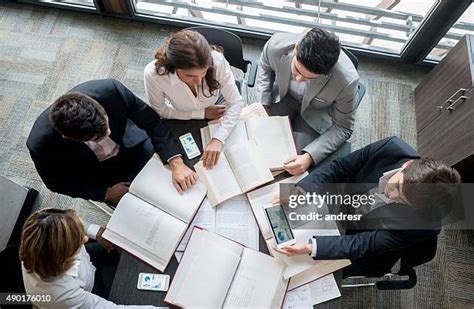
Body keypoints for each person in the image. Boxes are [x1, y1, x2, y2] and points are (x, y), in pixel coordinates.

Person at [274, 137, 461, 277]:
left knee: (300, 272)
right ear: (408, 164)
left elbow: (365, 243)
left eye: (402, 200)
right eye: (396, 186)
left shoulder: (424, 224)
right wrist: (300, 190)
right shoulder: (391, 148)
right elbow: (340, 168)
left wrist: (312, 247)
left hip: (362, 242)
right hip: (344, 203)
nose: (391, 195)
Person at [27, 79, 197, 205]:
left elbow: (151, 121)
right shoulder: (41, 145)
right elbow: (56, 183)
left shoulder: (110, 90)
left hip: (132, 144)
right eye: (97, 137)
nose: (107, 133)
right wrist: (104, 194)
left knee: (185, 176)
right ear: (69, 137)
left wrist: (176, 162)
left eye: (106, 124)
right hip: (102, 174)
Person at [256, 27, 360, 176]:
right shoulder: (275, 45)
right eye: (297, 70)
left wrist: (308, 157)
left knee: (292, 170)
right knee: (258, 146)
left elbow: (343, 128)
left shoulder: (347, 81)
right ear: (296, 48)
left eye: (308, 78)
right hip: (282, 98)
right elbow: (265, 67)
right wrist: (263, 103)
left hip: (316, 113)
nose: (299, 79)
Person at [144, 29, 244, 169]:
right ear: (174, 67)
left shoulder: (217, 61)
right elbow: (160, 111)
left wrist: (218, 138)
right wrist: (201, 113)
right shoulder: (154, 75)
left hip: (216, 105)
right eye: (190, 76)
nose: (198, 81)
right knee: (190, 165)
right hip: (180, 115)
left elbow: (236, 102)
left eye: (203, 73)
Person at [20, 208, 155, 308]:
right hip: (88, 292)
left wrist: (96, 233)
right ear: (62, 255)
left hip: (88, 265)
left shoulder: (41, 235)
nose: (85, 238)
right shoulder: (63, 294)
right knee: (138, 295)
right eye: (78, 241)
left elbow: (70, 223)